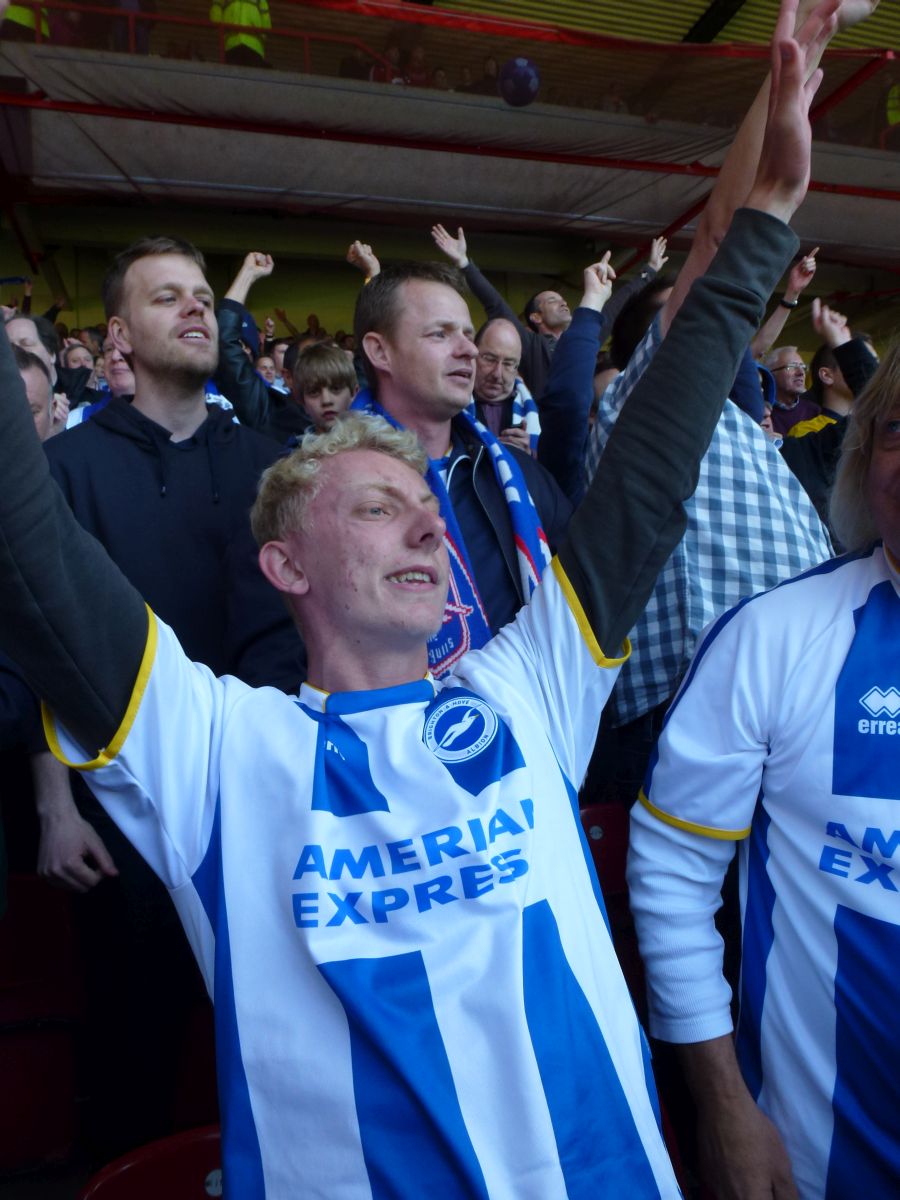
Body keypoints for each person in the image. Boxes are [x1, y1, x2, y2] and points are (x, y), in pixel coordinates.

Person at [0, 4, 837, 1188]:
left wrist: (765, 225)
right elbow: (29, 550)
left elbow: (650, 475)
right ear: (284, 564)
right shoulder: (215, 747)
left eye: (429, 508)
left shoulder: (526, 687)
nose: (428, 523)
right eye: (376, 505)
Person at [627, 336, 900, 1200]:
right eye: (897, 429)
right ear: (863, 457)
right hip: (824, 1157)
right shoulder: (774, 636)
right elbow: (671, 878)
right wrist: (723, 1108)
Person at [352, 257, 572, 675]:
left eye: (469, 335)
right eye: (441, 333)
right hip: (393, 728)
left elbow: (580, 590)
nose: (469, 350)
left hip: (529, 719)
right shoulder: (323, 487)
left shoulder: (514, 473)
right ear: (380, 351)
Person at [431, 224, 667, 400]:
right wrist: (464, 263)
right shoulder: (531, 346)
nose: (564, 304)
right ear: (536, 317)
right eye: (553, 300)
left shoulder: (583, 342)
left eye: (564, 300)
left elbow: (615, 307)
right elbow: (496, 305)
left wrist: (649, 272)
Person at [470, 318, 539, 454]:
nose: (497, 373)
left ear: (517, 367)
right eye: (489, 359)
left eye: (508, 363)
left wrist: (526, 457)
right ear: (473, 354)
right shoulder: (450, 406)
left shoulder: (534, 415)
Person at [292, 341, 357, 432]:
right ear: (302, 402)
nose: (326, 400)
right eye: (314, 392)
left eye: (336, 389)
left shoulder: (376, 443)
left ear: (354, 393)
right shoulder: (293, 446)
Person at [764, 343, 822, 434]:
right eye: (792, 366)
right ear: (771, 374)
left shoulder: (814, 411)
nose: (801, 373)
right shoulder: (761, 412)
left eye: (803, 367)